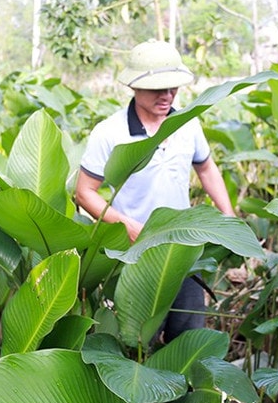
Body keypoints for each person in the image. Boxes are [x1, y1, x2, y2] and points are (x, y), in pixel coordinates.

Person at [75, 39, 235, 343]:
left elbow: (206, 167)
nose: (167, 95)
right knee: (137, 341)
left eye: (172, 87)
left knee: (187, 337)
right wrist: (129, 227)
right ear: (134, 87)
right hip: (134, 254)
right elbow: (85, 192)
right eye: (157, 89)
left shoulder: (187, 123)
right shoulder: (110, 132)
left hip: (183, 247)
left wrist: (228, 216)